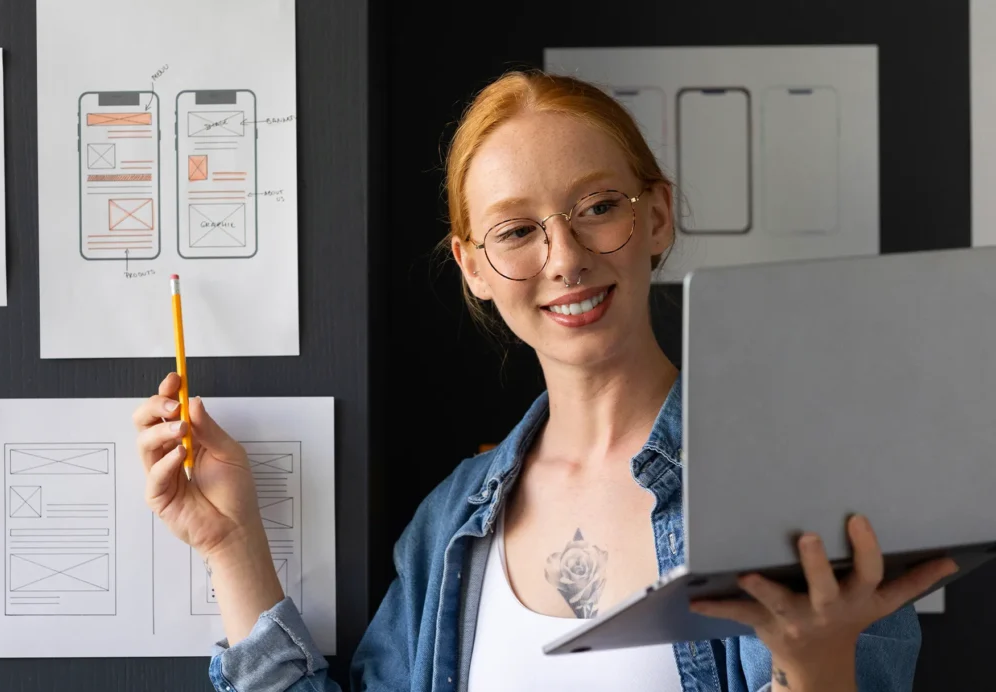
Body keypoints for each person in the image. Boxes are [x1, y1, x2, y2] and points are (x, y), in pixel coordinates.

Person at [133, 70, 956, 692]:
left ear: (657, 217)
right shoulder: (449, 523)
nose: (564, 259)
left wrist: (816, 670)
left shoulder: (800, 488)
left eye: (598, 206)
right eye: (517, 230)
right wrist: (231, 542)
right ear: (474, 268)